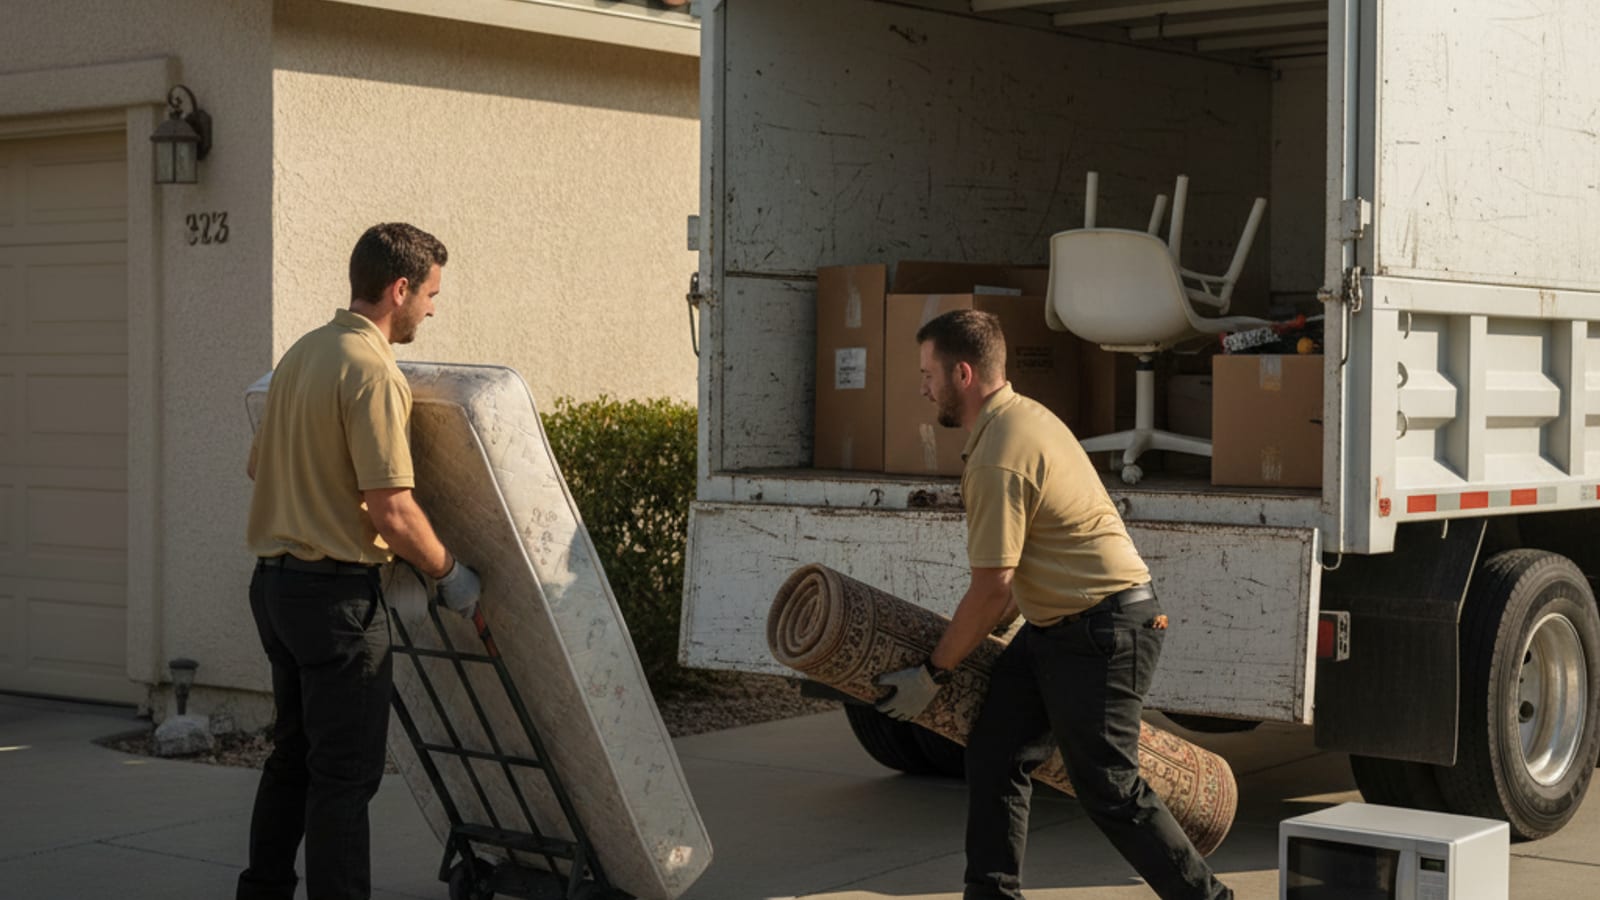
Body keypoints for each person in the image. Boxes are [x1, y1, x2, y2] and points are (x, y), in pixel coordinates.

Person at [874, 309, 1231, 900]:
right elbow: (1012, 586)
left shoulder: (999, 455)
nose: (922, 386)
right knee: (995, 752)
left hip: (1104, 630)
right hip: (1059, 627)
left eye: (928, 374)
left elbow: (993, 586)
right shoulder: (1020, 418)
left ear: (963, 374)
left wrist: (934, 672)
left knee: (1110, 788)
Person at [239, 222, 482, 900]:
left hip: (275, 591)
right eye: (430, 294)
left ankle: (261, 891)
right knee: (345, 780)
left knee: (293, 758)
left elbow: (256, 467)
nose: (432, 308)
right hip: (337, 603)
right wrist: (450, 573)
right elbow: (392, 510)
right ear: (399, 289)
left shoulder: (302, 354)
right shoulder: (373, 372)